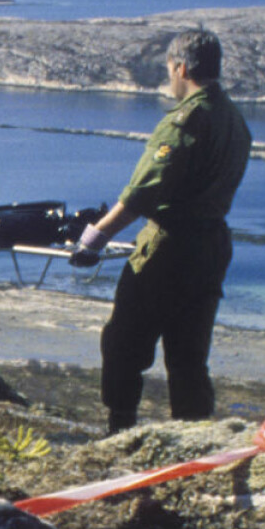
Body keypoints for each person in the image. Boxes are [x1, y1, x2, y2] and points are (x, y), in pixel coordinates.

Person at [71, 27, 252, 430]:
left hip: (171, 248)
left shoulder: (184, 121)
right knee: (189, 352)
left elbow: (142, 193)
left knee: (124, 342)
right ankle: (196, 437)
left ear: (181, 68)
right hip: (213, 246)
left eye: (170, 70)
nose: (170, 79)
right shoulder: (233, 117)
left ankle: (120, 428)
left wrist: (94, 239)